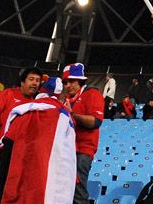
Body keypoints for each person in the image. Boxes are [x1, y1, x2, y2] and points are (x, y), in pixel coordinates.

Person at [0, 76, 76, 203]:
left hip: (20, 169)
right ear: (61, 96)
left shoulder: (23, 109)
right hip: (50, 175)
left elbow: (7, 145)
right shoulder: (66, 116)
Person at [0, 67, 41, 204]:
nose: (35, 83)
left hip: (15, 160)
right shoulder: (8, 94)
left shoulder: (36, 105)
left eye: (37, 80)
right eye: (31, 79)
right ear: (22, 82)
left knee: (6, 198)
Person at [63, 62, 104, 204]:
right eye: (65, 82)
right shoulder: (66, 99)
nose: (68, 85)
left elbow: (95, 122)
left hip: (83, 150)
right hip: (67, 149)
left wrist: (72, 114)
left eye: (72, 81)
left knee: (77, 190)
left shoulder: (92, 94)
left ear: (80, 81)